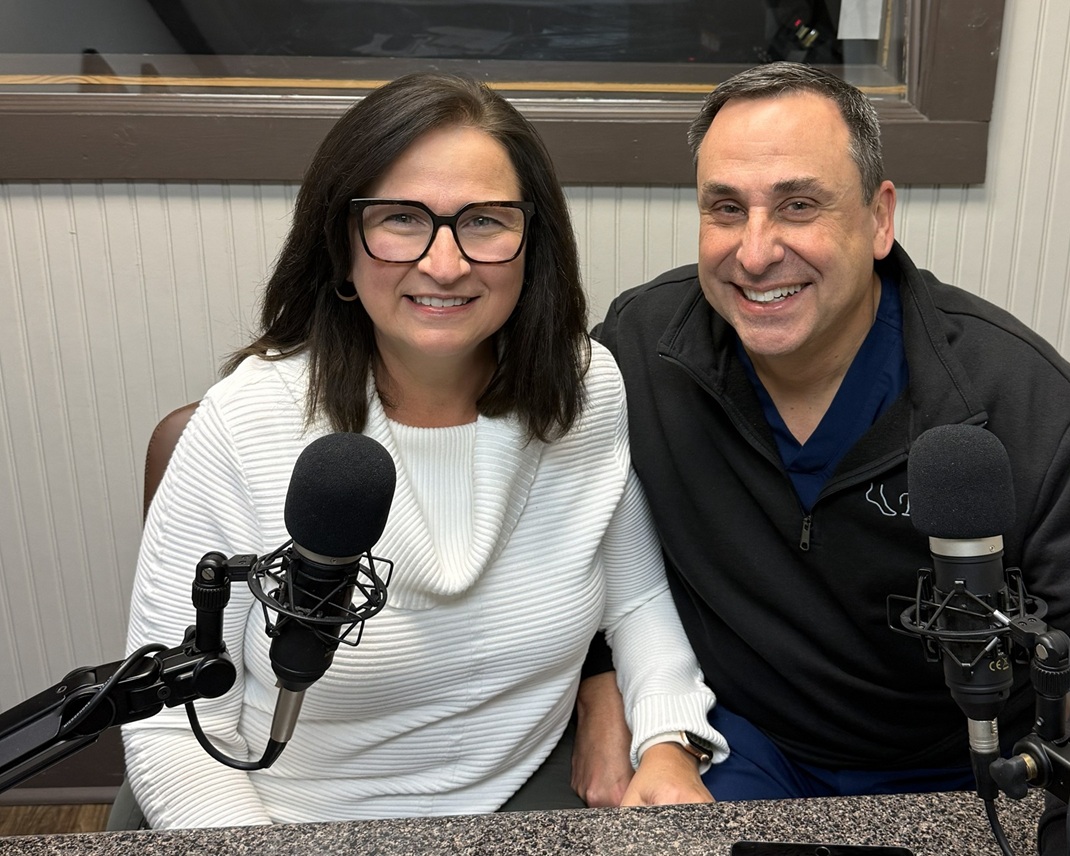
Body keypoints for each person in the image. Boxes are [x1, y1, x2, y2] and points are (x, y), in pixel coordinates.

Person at [577, 62, 1070, 852]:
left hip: (963, 768)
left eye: (799, 205)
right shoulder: (642, 354)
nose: (755, 252)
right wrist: (599, 685)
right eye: (726, 208)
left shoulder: (1024, 403)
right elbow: (567, 531)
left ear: (880, 217)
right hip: (746, 748)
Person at [121, 71, 727, 829]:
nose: (445, 263)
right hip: (280, 818)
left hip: (518, 796)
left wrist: (669, 742)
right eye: (402, 219)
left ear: (532, 243)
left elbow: (635, 598)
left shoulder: (583, 387)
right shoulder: (246, 423)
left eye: (485, 221)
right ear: (341, 244)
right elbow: (171, 728)